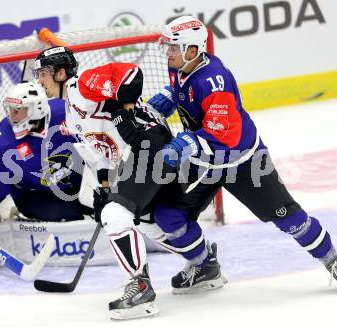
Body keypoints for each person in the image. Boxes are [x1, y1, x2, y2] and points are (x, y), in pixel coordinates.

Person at [148, 15, 337, 290]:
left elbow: (225, 136)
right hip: (204, 162)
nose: (168, 52)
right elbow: (185, 91)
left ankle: (333, 261)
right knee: (168, 217)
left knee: (290, 220)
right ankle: (204, 267)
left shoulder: (215, 81)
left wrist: (185, 143)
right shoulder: (180, 68)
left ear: (193, 50)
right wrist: (169, 95)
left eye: (173, 47)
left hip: (242, 161)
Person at [34, 46, 220, 319]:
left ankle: (140, 288)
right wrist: (104, 188)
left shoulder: (82, 84)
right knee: (148, 220)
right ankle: (205, 265)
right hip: (141, 153)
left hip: (151, 143)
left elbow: (130, 74)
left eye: (44, 73)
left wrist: (126, 110)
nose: (39, 79)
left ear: (61, 73)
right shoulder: (71, 115)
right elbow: (102, 155)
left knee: (116, 214)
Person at [0, 81, 86, 224]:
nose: (12, 116)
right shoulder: (2, 141)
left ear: (36, 109)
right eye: (10, 109)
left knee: (98, 204)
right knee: (71, 215)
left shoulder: (66, 113)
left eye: (17, 110)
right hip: (35, 195)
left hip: (77, 182)